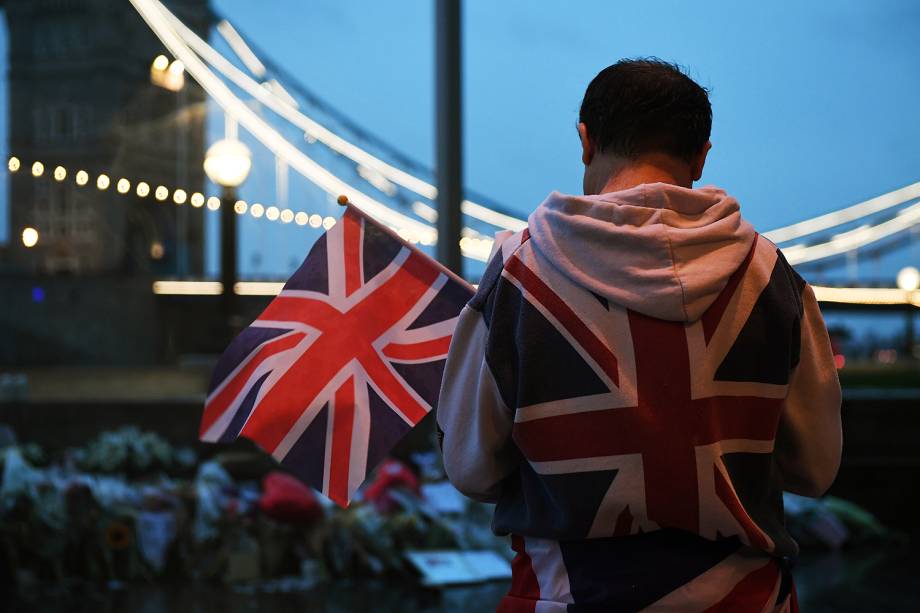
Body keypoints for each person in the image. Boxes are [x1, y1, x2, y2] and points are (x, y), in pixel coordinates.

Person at [436, 58, 842, 612]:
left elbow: (472, 469)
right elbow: (815, 470)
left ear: (586, 140)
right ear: (701, 157)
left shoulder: (517, 273)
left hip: (567, 597)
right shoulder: (774, 279)